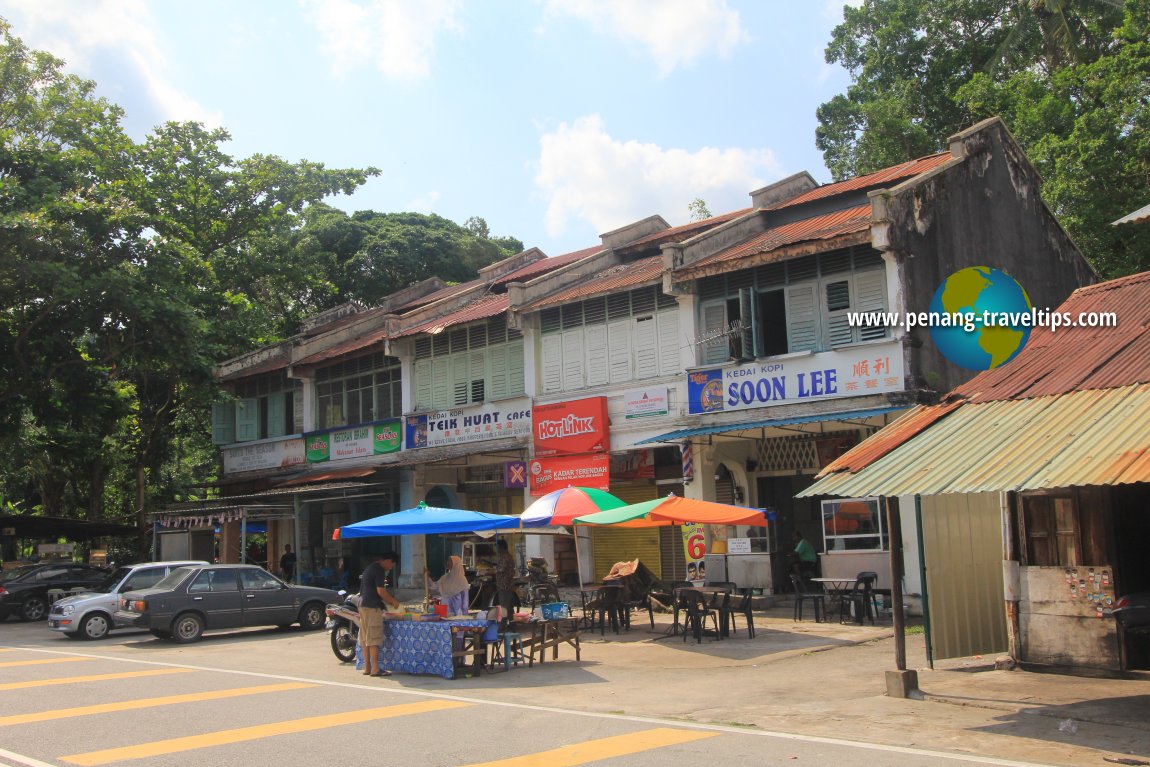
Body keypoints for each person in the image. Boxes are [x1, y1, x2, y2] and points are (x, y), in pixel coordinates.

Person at [358, 551, 400, 677]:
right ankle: (375, 669)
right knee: (373, 638)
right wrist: (394, 602)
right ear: (388, 561)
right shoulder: (379, 570)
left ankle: (367, 667)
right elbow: (381, 591)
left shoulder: (370, 567)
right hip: (371, 607)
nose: (391, 568)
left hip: (363, 605)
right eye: (392, 564)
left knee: (365, 638)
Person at [494, 539, 518, 621]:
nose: (496, 549)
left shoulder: (504, 557)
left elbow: (501, 569)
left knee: (504, 608)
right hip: (508, 585)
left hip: (505, 586)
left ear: (501, 547)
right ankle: (512, 626)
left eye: (497, 547)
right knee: (509, 607)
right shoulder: (507, 556)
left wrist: (492, 570)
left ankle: (502, 628)